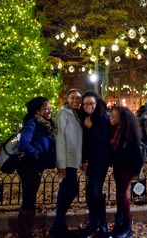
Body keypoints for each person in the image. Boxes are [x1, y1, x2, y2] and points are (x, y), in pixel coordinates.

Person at [15, 96, 57, 238]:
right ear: (37, 111)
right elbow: (24, 144)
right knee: (29, 199)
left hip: (36, 166)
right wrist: (38, 155)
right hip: (29, 165)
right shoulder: (32, 123)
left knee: (30, 197)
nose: (49, 111)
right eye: (46, 108)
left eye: (50, 108)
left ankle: (26, 230)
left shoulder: (46, 124)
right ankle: (25, 233)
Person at [49, 89, 83, 238]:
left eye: (78, 98)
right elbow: (60, 138)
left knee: (70, 188)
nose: (75, 101)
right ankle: (58, 226)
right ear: (67, 98)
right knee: (69, 188)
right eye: (72, 98)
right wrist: (61, 163)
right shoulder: (63, 113)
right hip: (67, 160)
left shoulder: (76, 114)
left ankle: (58, 226)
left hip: (73, 159)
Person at [78, 90, 112, 238]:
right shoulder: (84, 118)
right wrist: (83, 160)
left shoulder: (103, 118)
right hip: (90, 161)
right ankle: (93, 222)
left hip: (101, 160)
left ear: (96, 103)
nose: (88, 106)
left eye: (91, 103)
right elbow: (84, 142)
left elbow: (105, 141)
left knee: (96, 191)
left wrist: (91, 127)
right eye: (85, 104)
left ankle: (103, 224)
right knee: (90, 192)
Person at [109, 106, 143, 238]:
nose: (110, 118)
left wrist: (135, 171)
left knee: (122, 196)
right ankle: (120, 223)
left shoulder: (129, 134)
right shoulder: (114, 130)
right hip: (118, 167)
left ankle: (127, 226)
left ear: (122, 119)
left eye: (114, 116)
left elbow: (138, 156)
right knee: (119, 195)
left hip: (127, 168)